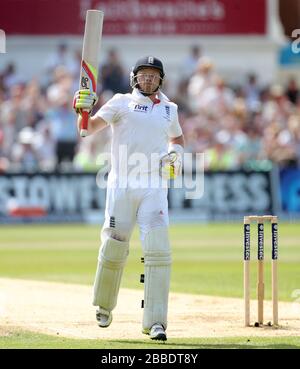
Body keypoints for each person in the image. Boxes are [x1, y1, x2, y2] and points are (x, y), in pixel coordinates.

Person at [73, 56, 184, 341]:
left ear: (161, 79)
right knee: (114, 245)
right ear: (135, 77)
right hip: (122, 185)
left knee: (158, 250)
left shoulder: (169, 109)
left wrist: (177, 155)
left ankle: (156, 322)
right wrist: (82, 109)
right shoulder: (120, 102)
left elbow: (178, 139)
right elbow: (87, 129)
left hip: (154, 187)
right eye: (144, 74)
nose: (148, 79)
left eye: (153, 75)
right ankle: (104, 305)